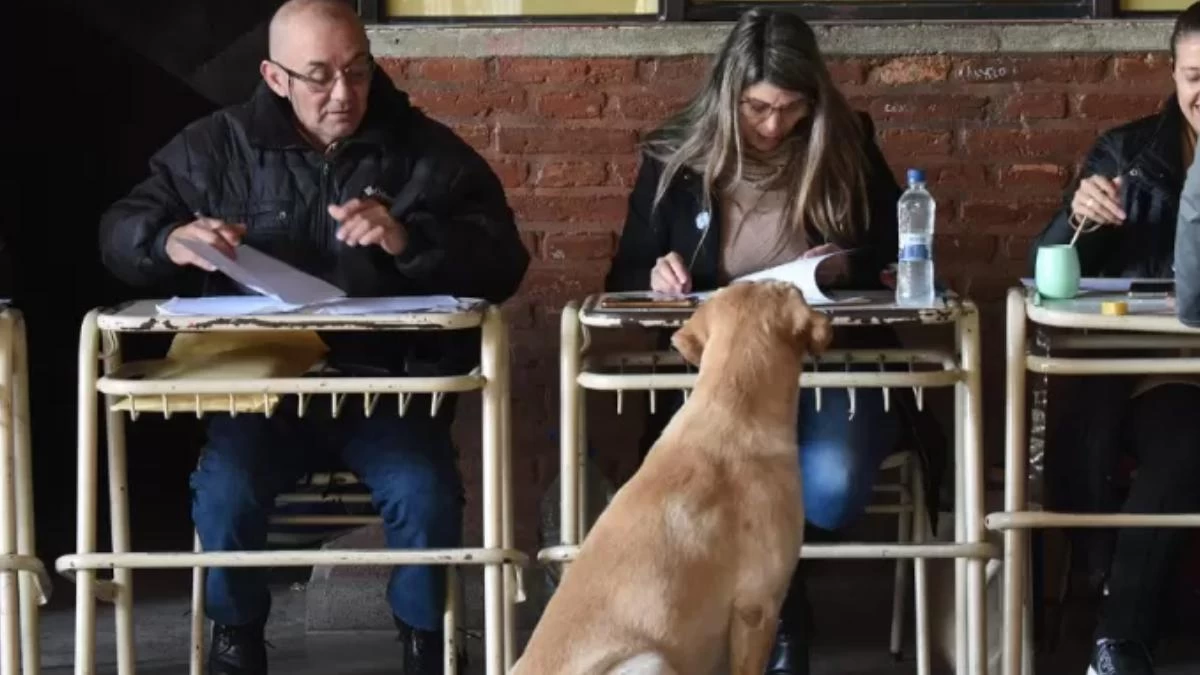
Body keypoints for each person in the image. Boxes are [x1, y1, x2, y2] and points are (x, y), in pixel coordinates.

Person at [97, 1, 529, 673]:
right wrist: (168, 240)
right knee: (226, 492)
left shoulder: (422, 151)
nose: (343, 94)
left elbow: (503, 260)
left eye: (358, 71)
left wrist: (408, 240)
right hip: (258, 394)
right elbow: (119, 231)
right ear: (275, 78)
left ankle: (426, 638)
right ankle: (236, 635)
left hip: (388, 391)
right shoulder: (216, 147)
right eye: (320, 75)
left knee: (425, 491)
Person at [605, 8, 947, 674]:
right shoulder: (673, 155)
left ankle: (769, 601)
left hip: (833, 367)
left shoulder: (846, 142)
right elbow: (622, 276)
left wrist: (846, 264)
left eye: (790, 111)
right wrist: (657, 277)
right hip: (720, 376)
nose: (772, 126)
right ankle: (780, 615)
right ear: (726, 96)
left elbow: (888, 252)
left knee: (832, 486)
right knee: (705, 485)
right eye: (758, 108)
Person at [1031, 4, 1200, 674]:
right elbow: (1045, 272)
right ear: (1172, 73)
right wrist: (1081, 217)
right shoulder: (1129, 151)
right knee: (1183, 438)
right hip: (1158, 369)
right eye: (1195, 75)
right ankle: (1119, 641)